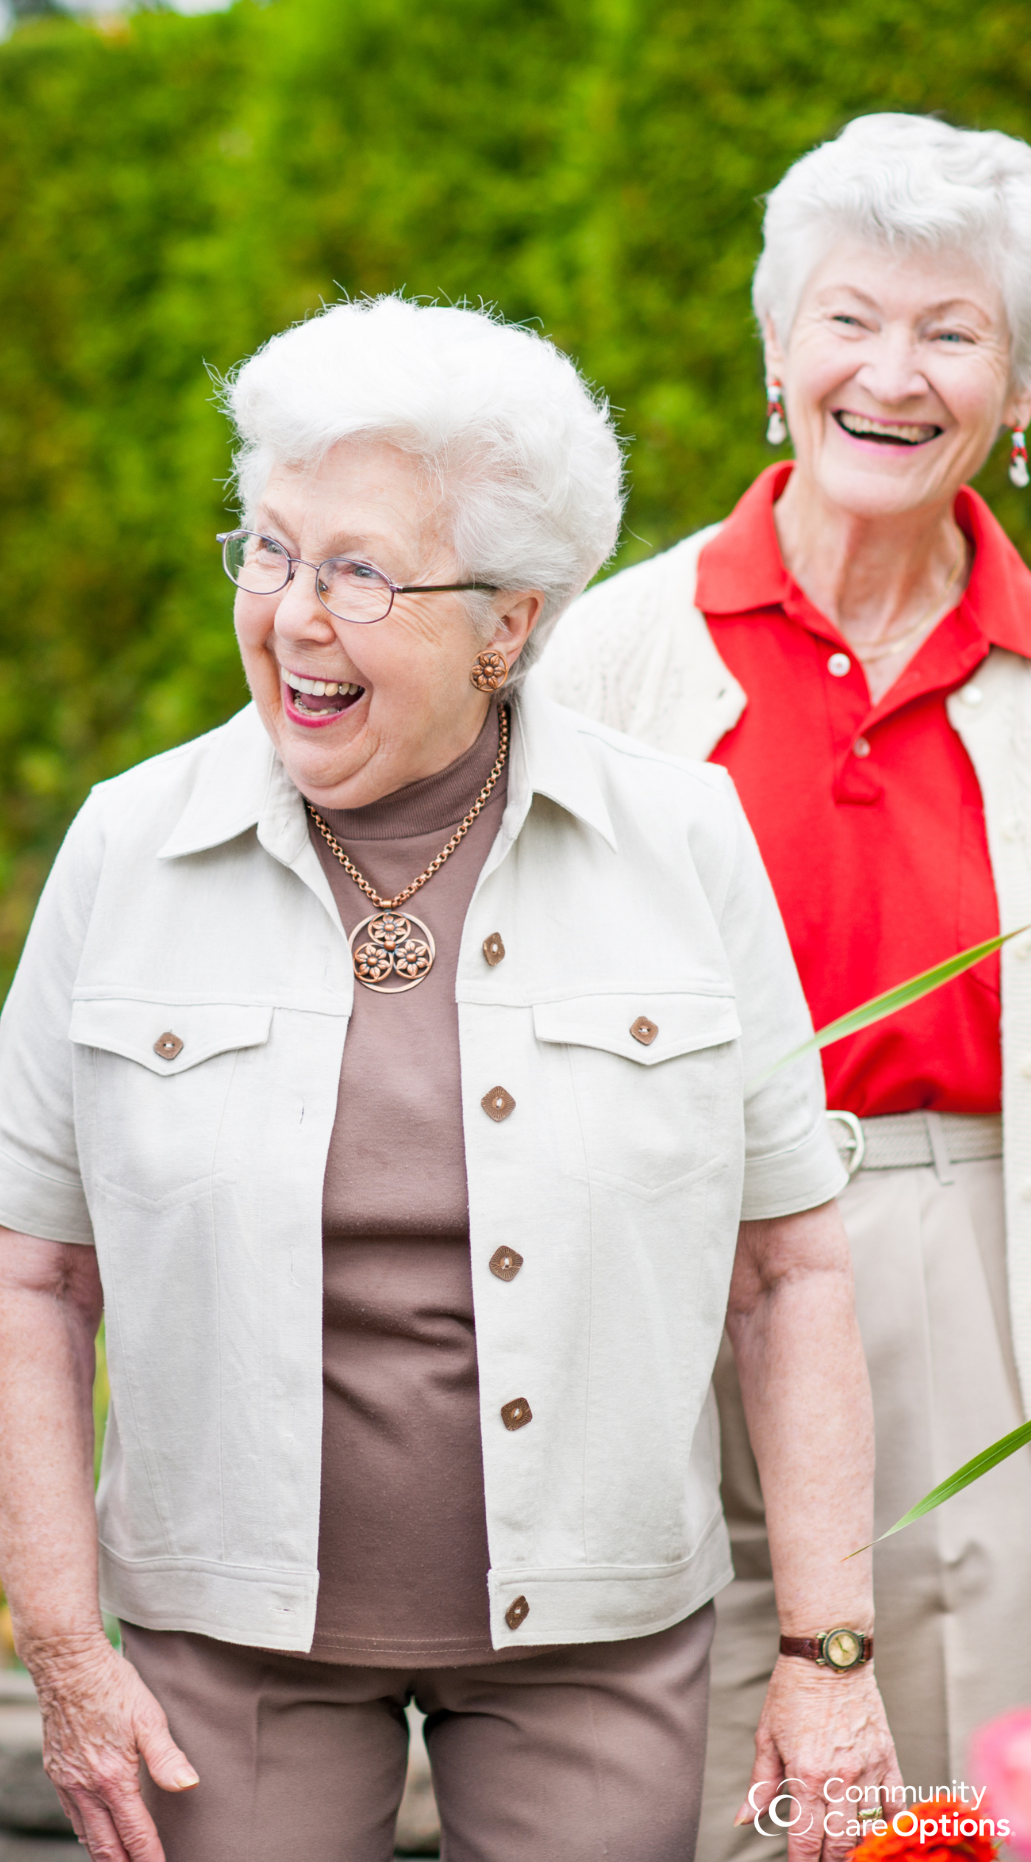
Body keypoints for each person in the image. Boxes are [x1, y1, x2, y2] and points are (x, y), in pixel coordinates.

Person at [0, 295, 895, 1862]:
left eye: (361, 572)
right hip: (231, 1648)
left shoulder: (678, 839)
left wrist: (827, 1655)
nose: (293, 616)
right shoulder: (130, 845)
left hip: (598, 1633)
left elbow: (788, 1274)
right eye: (268, 549)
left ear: (509, 623)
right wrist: (65, 1654)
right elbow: (32, 1278)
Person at [538, 112, 1031, 1859]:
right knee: (681, 1754)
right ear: (776, 350)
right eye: (850, 318)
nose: (892, 374)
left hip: (975, 1264)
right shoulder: (615, 650)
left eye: (953, 330)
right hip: (670, 1253)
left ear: (1015, 387)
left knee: (961, 1759)